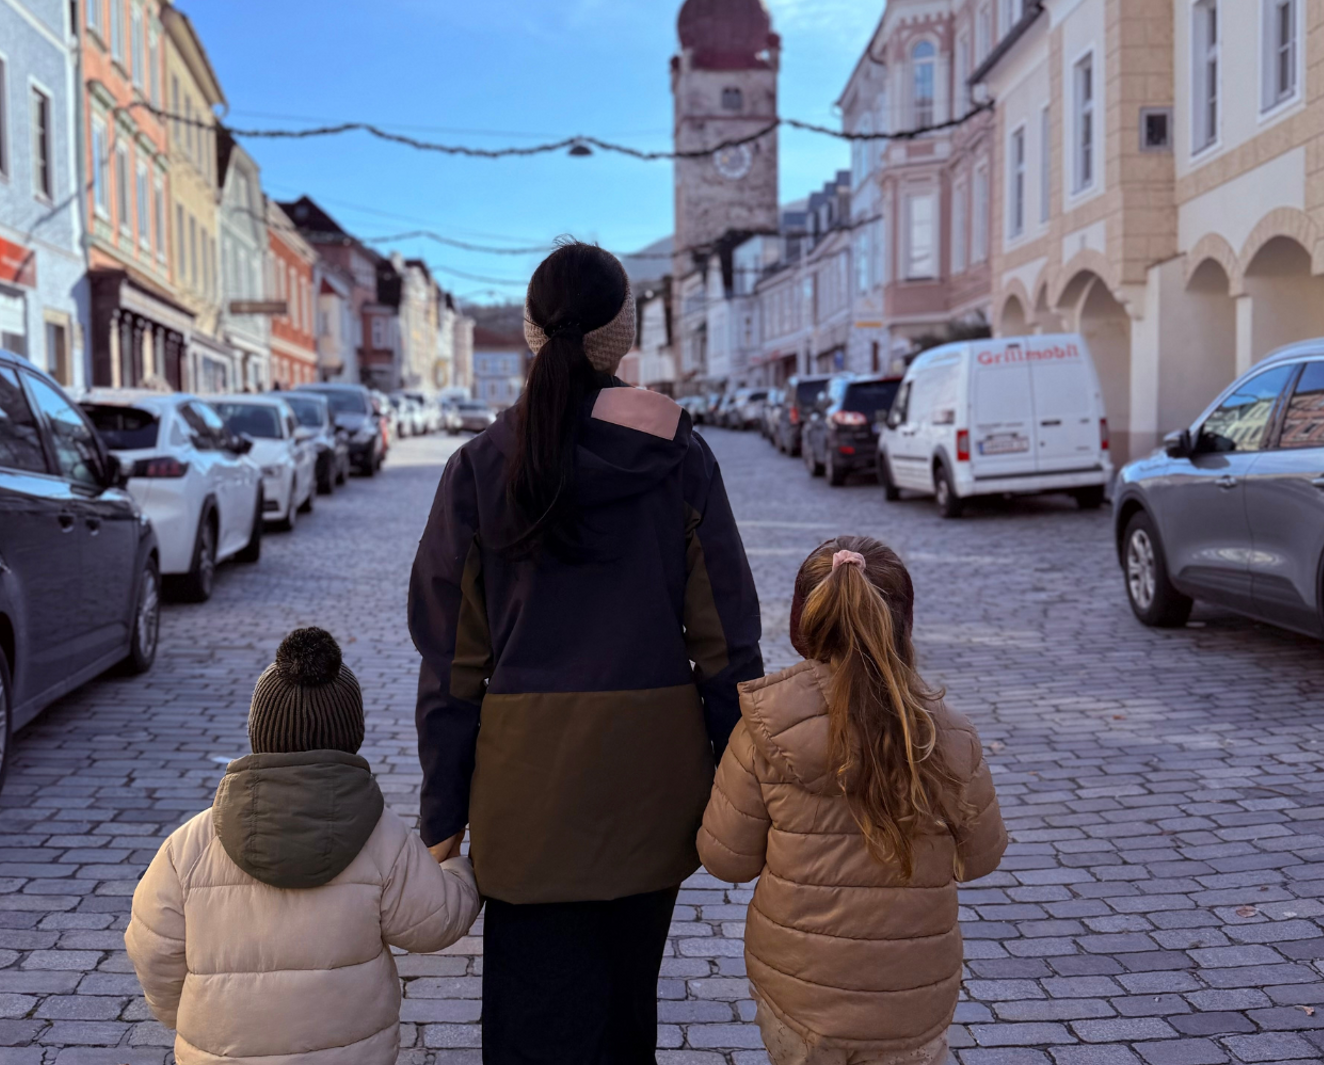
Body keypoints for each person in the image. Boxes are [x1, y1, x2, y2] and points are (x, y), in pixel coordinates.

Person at [409, 240, 764, 1064]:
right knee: (623, 1013)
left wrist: (442, 818)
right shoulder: (679, 454)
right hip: (652, 785)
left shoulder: (478, 467)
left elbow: (451, 661)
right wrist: (739, 777)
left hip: (525, 793)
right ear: (621, 334)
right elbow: (725, 641)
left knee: (532, 1021)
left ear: (533, 333)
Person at [698, 537, 1008, 1065]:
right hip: (913, 999)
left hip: (800, 992)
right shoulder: (950, 736)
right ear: (904, 622)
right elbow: (981, 859)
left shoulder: (763, 729)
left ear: (803, 625)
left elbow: (726, 860)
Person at [124, 628, 481, 1065]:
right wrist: (461, 869)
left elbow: (152, 946)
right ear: (352, 735)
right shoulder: (382, 838)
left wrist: (182, 1016)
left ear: (259, 730)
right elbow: (434, 922)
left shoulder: (189, 847)